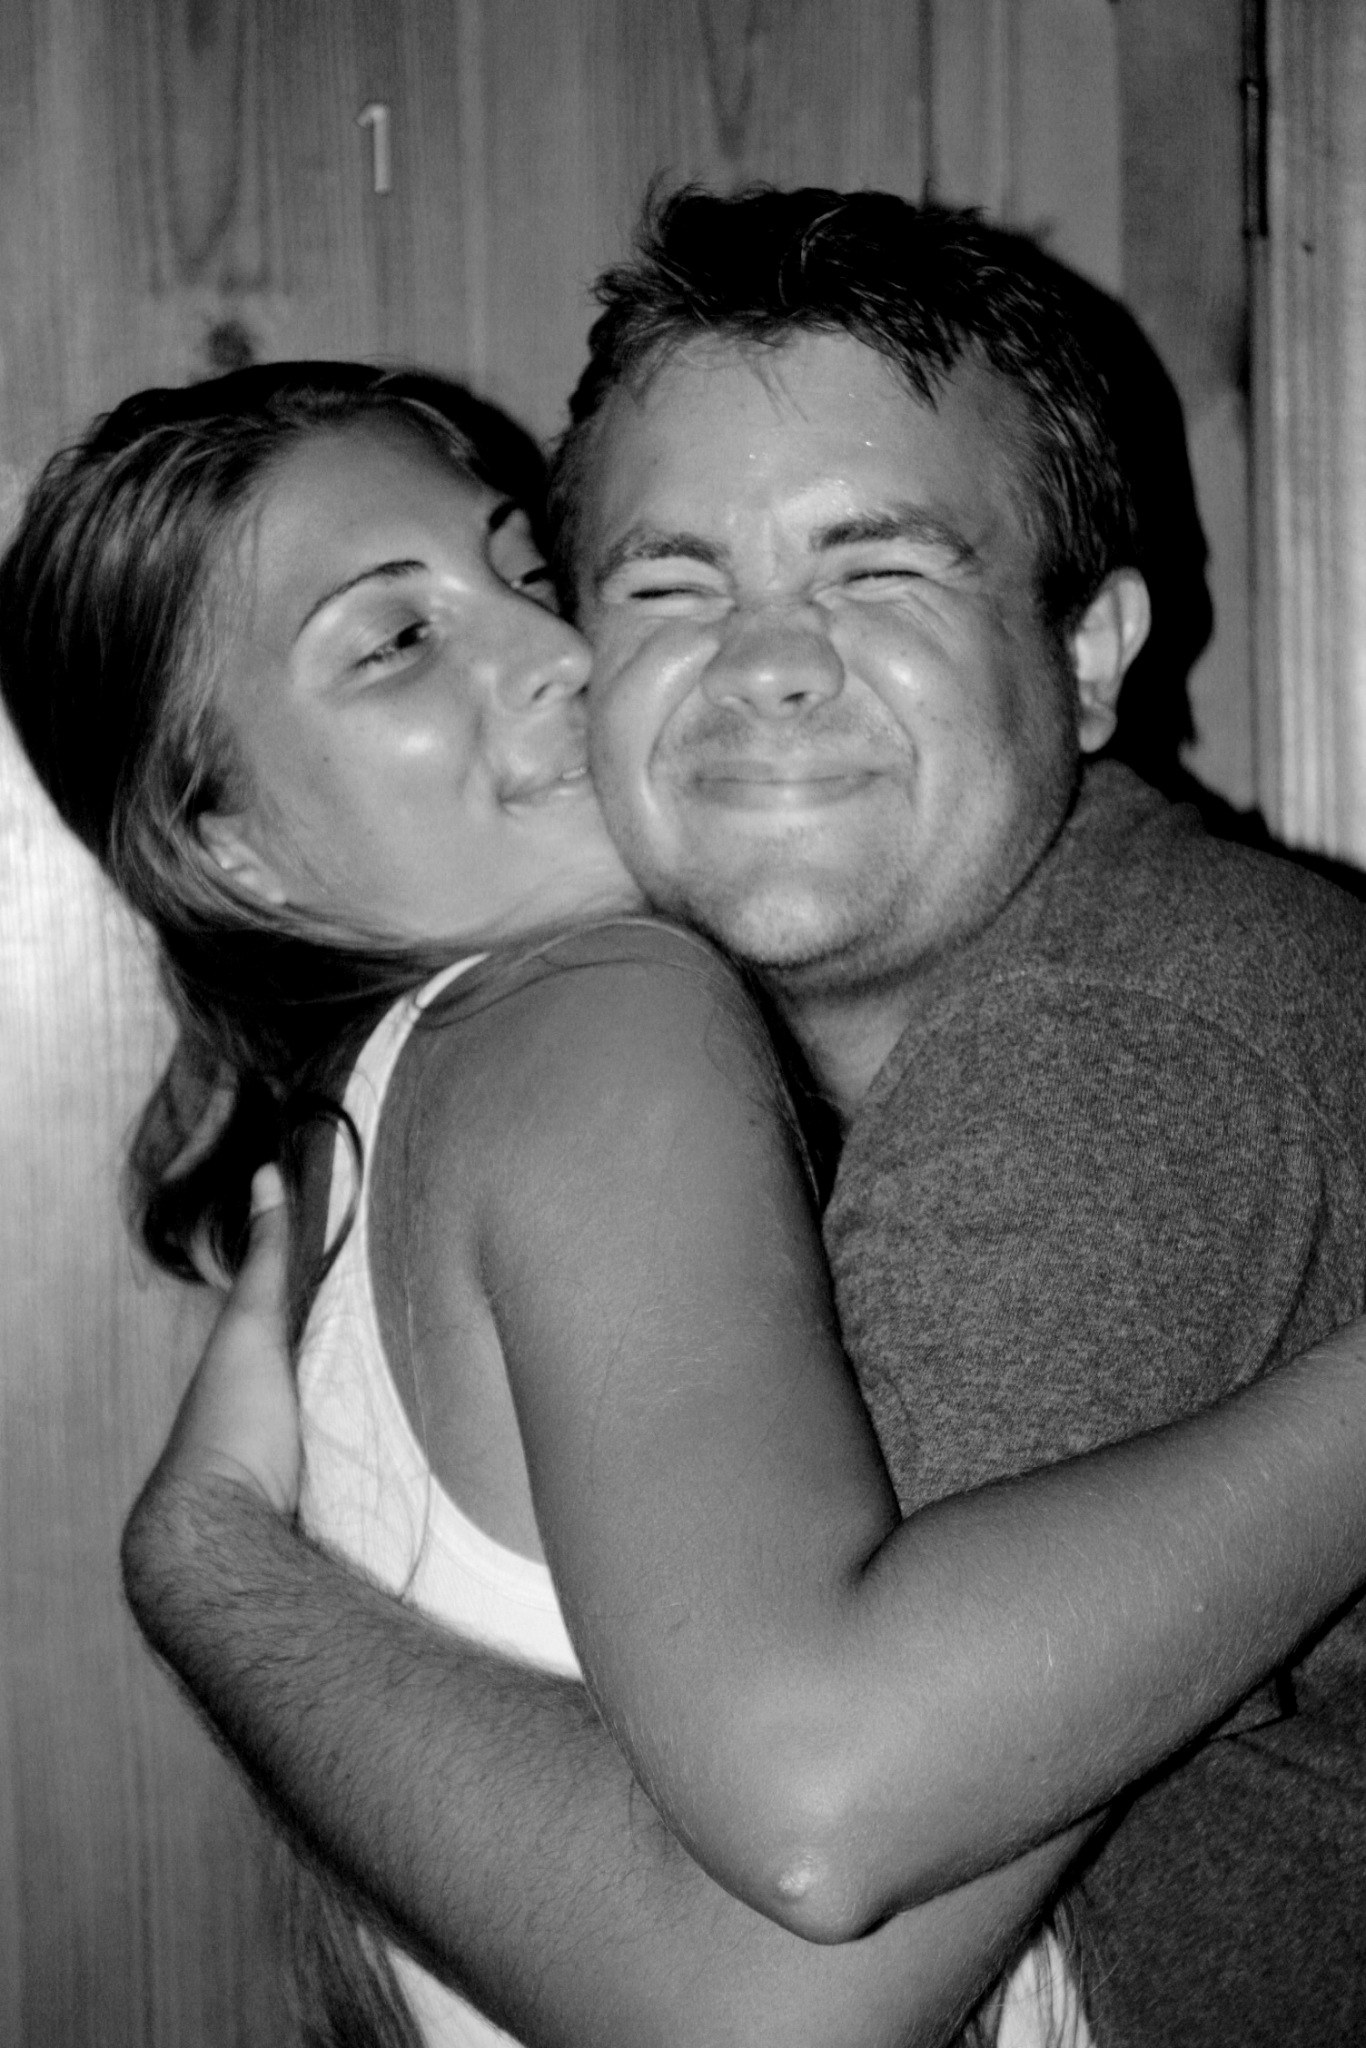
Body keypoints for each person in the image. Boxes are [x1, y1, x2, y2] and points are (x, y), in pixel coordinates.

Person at [7, 182, 1366, 2038]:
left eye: (876, 569)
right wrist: (202, 1572)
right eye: (659, 582)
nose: (555, 658)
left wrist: (210, 1575)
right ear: (225, 843)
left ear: (1087, 651)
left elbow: (761, 1956)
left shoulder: (1109, 1042)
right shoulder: (581, 1028)